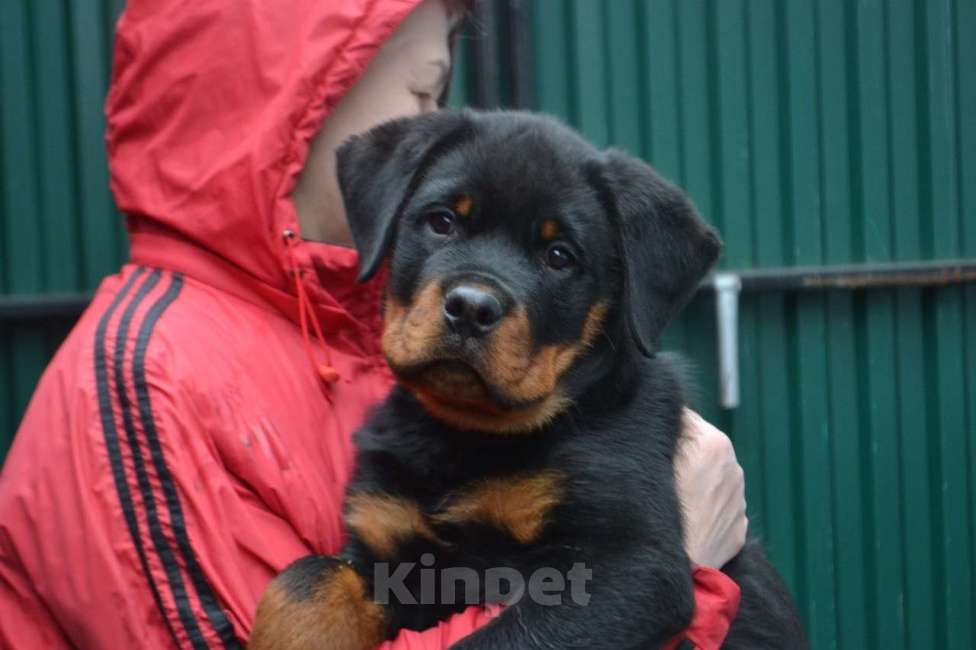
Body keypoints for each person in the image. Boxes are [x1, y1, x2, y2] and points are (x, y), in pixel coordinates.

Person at [0, 1, 746, 647]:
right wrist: (690, 567)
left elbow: (547, 588)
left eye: (556, 256)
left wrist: (656, 584)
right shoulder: (147, 381)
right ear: (307, 90)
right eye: (425, 92)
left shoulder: (338, 337)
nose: (476, 297)